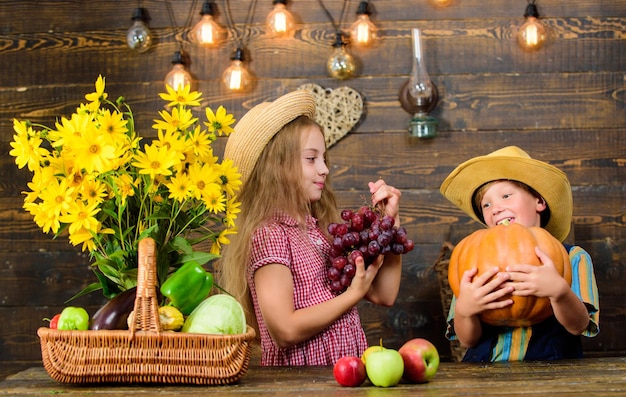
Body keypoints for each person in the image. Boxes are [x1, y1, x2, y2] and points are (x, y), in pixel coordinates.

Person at [218, 90, 403, 366]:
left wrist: (391, 224)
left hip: (341, 376)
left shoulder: (318, 232)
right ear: (277, 167)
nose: (324, 169)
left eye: (324, 158)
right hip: (301, 384)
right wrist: (353, 294)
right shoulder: (270, 234)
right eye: (311, 159)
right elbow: (285, 330)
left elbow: (384, 295)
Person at [439, 146, 599, 362]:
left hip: (553, 377)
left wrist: (559, 292)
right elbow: (468, 340)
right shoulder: (471, 260)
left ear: (539, 202)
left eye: (506, 195)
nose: (495, 208)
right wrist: (465, 311)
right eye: (486, 204)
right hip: (484, 377)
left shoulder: (573, 257)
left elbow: (578, 326)